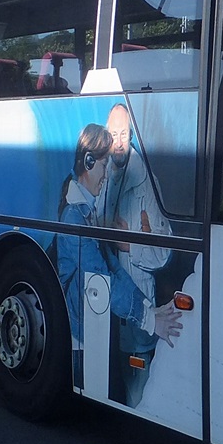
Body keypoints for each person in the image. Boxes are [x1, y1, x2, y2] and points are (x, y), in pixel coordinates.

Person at [54, 123, 182, 390]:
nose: (106, 174)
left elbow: (113, 269)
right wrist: (150, 322)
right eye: (103, 165)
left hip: (90, 331)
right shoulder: (74, 218)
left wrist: (149, 309)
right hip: (78, 338)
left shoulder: (86, 213)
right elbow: (102, 282)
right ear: (88, 162)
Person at [98, 103, 174, 407]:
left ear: (132, 137)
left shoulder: (147, 183)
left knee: (137, 397)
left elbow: (164, 253)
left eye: (124, 133)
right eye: (112, 134)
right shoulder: (102, 175)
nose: (118, 141)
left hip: (137, 305)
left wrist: (131, 246)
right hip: (105, 304)